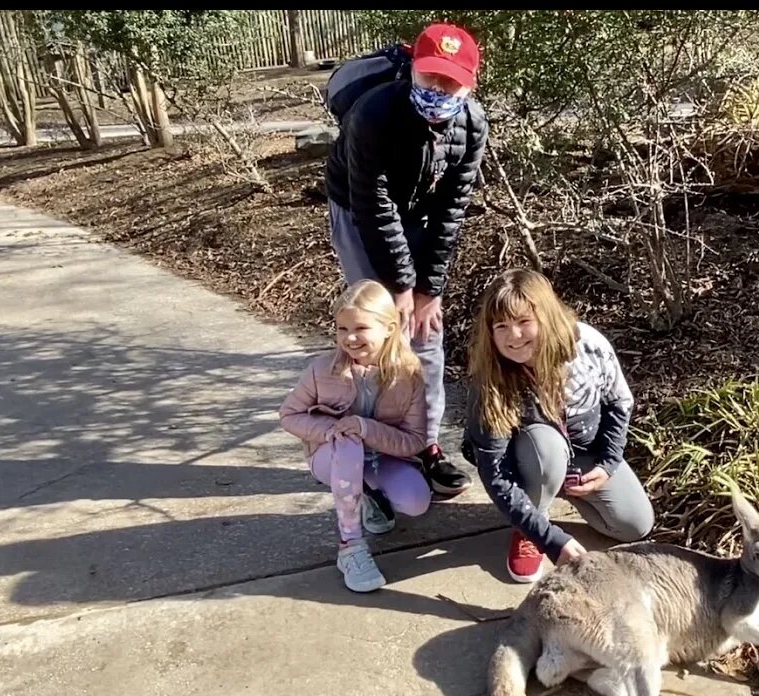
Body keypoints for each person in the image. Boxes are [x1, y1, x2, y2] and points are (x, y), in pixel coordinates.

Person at [323, 22, 488, 498]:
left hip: (420, 211)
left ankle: (425, 444)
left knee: (424, 331)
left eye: (451, 81)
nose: (438, 90)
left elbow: (452, 210)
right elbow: (374, 206)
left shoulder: (472, 124)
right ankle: (365, 442)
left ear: (469, 83)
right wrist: (399, 288)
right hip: (358, 209)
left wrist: (428, 290)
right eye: (430, 76)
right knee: (374, 325)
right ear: (412, 70)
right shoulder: (371, 114)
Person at [462, 269, 656, 583]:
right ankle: (531, 522)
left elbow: (620, 402)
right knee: (544, 449)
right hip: (531, 459)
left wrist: (608, 464)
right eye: (502, 326)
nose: (514, 336)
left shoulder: (588, 345)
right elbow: (494, 472)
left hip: (583, 451)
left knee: (635, 526)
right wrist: (552, 540)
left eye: (524, 322)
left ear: (547, 317)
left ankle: (564, 489)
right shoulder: (489, 378)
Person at [279, 279, 432, 592]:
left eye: (360, 328)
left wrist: (366, 428)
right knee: (348, 445)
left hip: (382, 458)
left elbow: (416, 439)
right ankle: (350, 545)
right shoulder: (321, 371)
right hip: (331, 456)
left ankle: (370, 497)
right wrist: (331, 431)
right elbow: (289, 415)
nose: (349, 338)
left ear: (389, 327)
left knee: (416, 501)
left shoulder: (409, 375)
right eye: (341, 329)